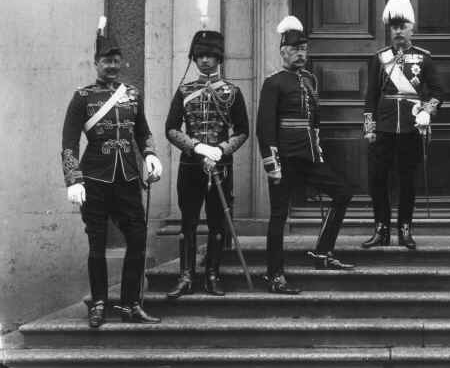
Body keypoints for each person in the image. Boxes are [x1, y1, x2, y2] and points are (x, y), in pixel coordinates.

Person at [62, 16, 163, 327]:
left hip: (128, 179)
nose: (112, 66)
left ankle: (131, 303)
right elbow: (68, 142)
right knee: (97, 242)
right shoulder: (82, 97)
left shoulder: (132, 94)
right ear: (96, 63)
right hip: (94, 179)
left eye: (116, 61)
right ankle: (99, 303)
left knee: (137, 239)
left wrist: (150, 154)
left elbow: (142, 131)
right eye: (106, 61)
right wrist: (73, 179)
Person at [257, 16, 355, 295]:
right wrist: (271, 163)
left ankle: (322, 252)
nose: (301, 53)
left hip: (310, 156)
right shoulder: (273, 83)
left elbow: (314, 121)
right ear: (282, 52)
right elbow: (264, 128)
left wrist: (319, 151)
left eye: (304, 49)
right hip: (284, 159)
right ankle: (274, 275)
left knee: (343, 191)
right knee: (278, 216)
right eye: (295, 49)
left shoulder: (310, 80)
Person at [164, 22, 249, 299]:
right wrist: (197, 146)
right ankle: (186, 276)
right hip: (191, 165)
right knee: (188, 221)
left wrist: (222, 150)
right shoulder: (184, 91)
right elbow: (171, 129)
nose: (204, 59)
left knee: (216, 223)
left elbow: (243, 130)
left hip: (221, 167)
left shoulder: (232, 92)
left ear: (219, 58)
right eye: (200, 55)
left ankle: (212, 274)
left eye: (210, 55)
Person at [361, 0, 444, 250]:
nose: (397, 31)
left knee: (407, 180)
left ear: (412, 28)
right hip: (384, 129)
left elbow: (438, 92)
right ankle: (381, 228)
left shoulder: (423, 58)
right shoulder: (380, 58)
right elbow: (371, 97)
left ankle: (405, 228)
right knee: (378, 179)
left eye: (402, 26)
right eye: (394, 27)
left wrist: (427, 112)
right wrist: (370, 128)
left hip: (411, 129)